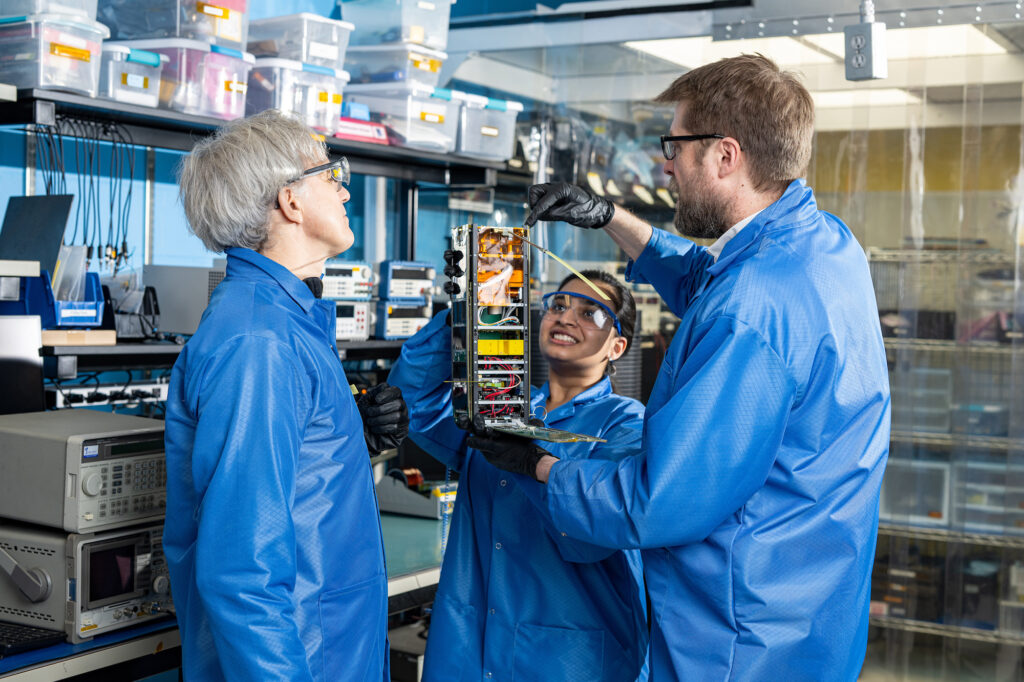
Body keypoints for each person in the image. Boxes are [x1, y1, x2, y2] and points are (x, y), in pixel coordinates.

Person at [469, 54, 891, 680]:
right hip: (811, 613)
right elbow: (708, 279)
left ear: (725, 155)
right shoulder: (821, 243)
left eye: (675, 144)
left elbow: (655, 503)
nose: (664, 162)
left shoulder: (752, 308)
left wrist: (538, 466)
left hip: (738, 637)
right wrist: (609, 218)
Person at [163, 110, 407, 681]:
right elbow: (240, 572)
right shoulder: (259, 342)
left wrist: (348, 439)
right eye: (332, 175)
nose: (346, 190)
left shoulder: (285, 321)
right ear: (290, 201)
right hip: (298, 659)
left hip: (332, 647)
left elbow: (292, 489)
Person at [388, 270, 650, 682]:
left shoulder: (626, 426)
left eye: (590, 312)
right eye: (558, 305)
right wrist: (462, 318)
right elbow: (415, 402)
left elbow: (597, 531)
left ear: (617, 347)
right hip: (467, 648)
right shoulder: (500, 407)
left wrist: (533, 466)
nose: (565, 317)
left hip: (567, 659)